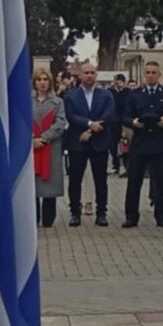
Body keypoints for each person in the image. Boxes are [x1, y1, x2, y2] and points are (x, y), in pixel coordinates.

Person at [122, 61, 163, 229]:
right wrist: (133, 122)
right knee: (134, 181)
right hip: (141, 141)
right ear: (144, 74)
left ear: (159, 74)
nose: (150, 76)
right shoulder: (135, 94)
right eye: (147, 72)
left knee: (162, 181)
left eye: (153, 72)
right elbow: (125, 117)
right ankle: (131, 217)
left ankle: (162, 216)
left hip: (161, 141)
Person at [63, 62, 115, 227]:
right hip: (78, 142)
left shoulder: (106, 95)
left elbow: (109, 115)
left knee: (101, 180)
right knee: (75, 179)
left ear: (96, 75)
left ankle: (101, 213)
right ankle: (75, 213)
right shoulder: (70, 95)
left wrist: (91, 130)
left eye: (92, 72)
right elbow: (70, 115)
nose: (90, 75)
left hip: (99, 142)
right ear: (80, 75)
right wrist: (89, 124)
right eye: (86, 73)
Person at [33, 69, 68, 228]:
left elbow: (60, 123)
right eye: (39, 79)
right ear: (34, 82)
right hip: (31, 147)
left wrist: (44, 138)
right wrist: (31, 140)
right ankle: (33, 217)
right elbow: (20, 121)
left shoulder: (58, 102)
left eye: (45, 79)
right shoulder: (26, 100)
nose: (42, 82)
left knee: (49, 183)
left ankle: (48, 217)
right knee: (32, 184)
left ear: (50, 82)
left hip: (50, 147)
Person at [109, 74, 128, 173]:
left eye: (120, 82)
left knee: (125, 144)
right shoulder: (111, 92)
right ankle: (115, 164)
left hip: (124, 123)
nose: (118, 84)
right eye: (116, 82)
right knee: (112, 144)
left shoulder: (128, 93)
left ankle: (125, 164)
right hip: (113, 122)